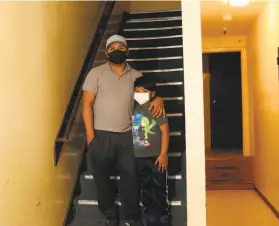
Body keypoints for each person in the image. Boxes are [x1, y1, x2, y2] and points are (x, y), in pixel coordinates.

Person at [82, 34, 165, 226]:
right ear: (106, 52)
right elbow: (87, 104)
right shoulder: (96, 73)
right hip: (100, 135)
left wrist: (158, 99)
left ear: (127, 51)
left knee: (131, 177)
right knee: (101, 178)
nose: (116, 50)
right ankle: (110, 214)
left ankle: (132, 215)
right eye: (112, 48)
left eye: (120, 47)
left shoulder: (137, 76)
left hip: (129, 135)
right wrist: (90, 137)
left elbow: (148, 97)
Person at [132, 76, 171, 226]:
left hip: (156, 157)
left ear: (153, 93)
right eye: (137, 90)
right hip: (139, 156)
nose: (140, 93)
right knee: (146, 187)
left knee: (159, 186)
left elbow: (165, 132)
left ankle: (162, 214)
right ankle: (151, 213)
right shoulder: (133, 108)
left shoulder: (155, 109)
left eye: (144, 91)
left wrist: (163, 154)